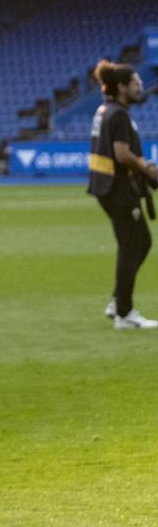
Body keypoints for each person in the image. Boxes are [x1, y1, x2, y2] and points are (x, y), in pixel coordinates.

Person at [87, 59, 158, 329]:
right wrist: (147, 168)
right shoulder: (117, 114)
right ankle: (124, 314)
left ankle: (119, 302)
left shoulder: (106, 109)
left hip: (107, 187)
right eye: (136, 83)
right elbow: (121, 154)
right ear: (121, 87)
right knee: (134, 244)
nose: (140, 87)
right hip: (117, 189)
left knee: (138, 243)